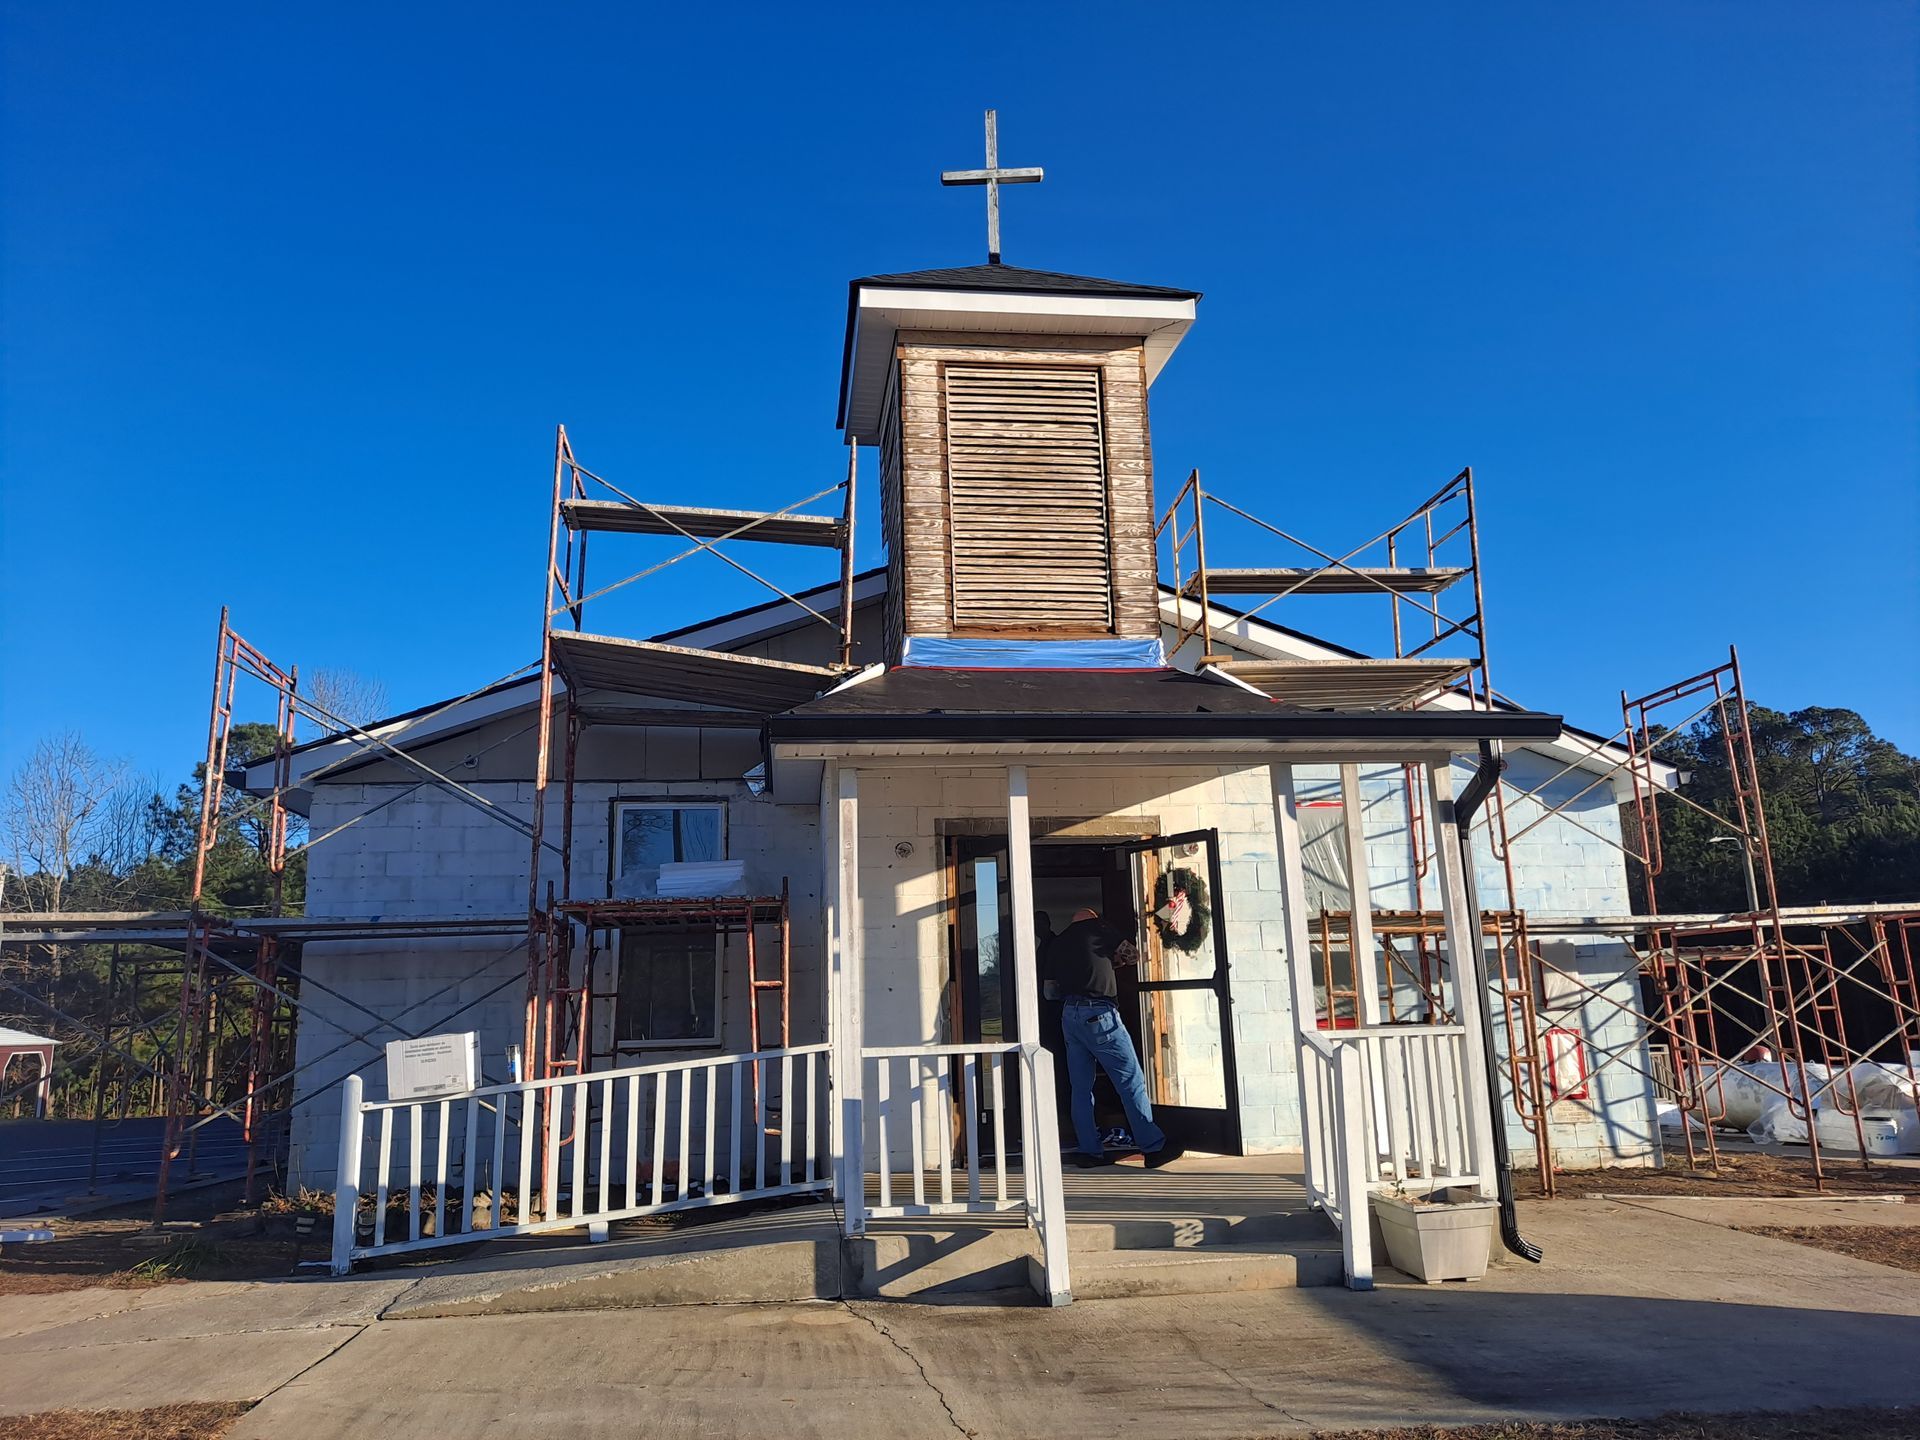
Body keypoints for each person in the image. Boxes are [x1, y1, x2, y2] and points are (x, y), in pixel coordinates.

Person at [1044, 907, 1183, 1168]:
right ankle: (1153, 1147)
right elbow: (1133, 957)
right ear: (1094, 918)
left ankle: (1090, 1151)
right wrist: (1113, 961)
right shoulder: (1100, 929)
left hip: (1069, 1018)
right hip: (1100, 1014)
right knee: (1130, 1080)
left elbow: (1050, 991)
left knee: (1081, 1088)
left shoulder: (1058, 942)